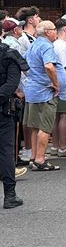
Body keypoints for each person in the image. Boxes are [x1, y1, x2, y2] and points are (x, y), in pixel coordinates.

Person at [24, 20, 63, 171]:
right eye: (54, 29)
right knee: (45, 127)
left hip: (33, 90)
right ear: (47, 32)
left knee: (35, 126)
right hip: (44, 92)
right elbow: (49, 65)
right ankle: (40, 159)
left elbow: (24, 64)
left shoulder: (33, 44)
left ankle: (34, 157)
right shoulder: (47, 46)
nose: (56, 32)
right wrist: (55, 84)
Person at [0, 41, 27, 208]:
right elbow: (12, 84)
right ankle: (10, 195)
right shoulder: (9, 54)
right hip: (3, 109)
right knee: (6, 151)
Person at [50, 18, 66, 157]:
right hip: (65, 86)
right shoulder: (64, 47)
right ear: (65, 29)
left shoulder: (53, 44)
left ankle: (54, 146)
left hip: (54, 84)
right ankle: (63, 146)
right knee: (64, 115)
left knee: (55, 116)